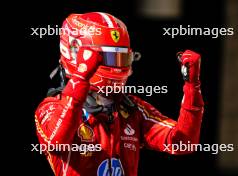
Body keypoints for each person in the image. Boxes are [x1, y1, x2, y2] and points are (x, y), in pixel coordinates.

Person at [35, 12, 204, 176]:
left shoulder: (132, 109)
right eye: (109, 57)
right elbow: (57, 141)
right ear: (77, 55)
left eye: (123, 58)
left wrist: (192, 87)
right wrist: (81, 77)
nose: (117, 67)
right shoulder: (50, 108)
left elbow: (183, 144)